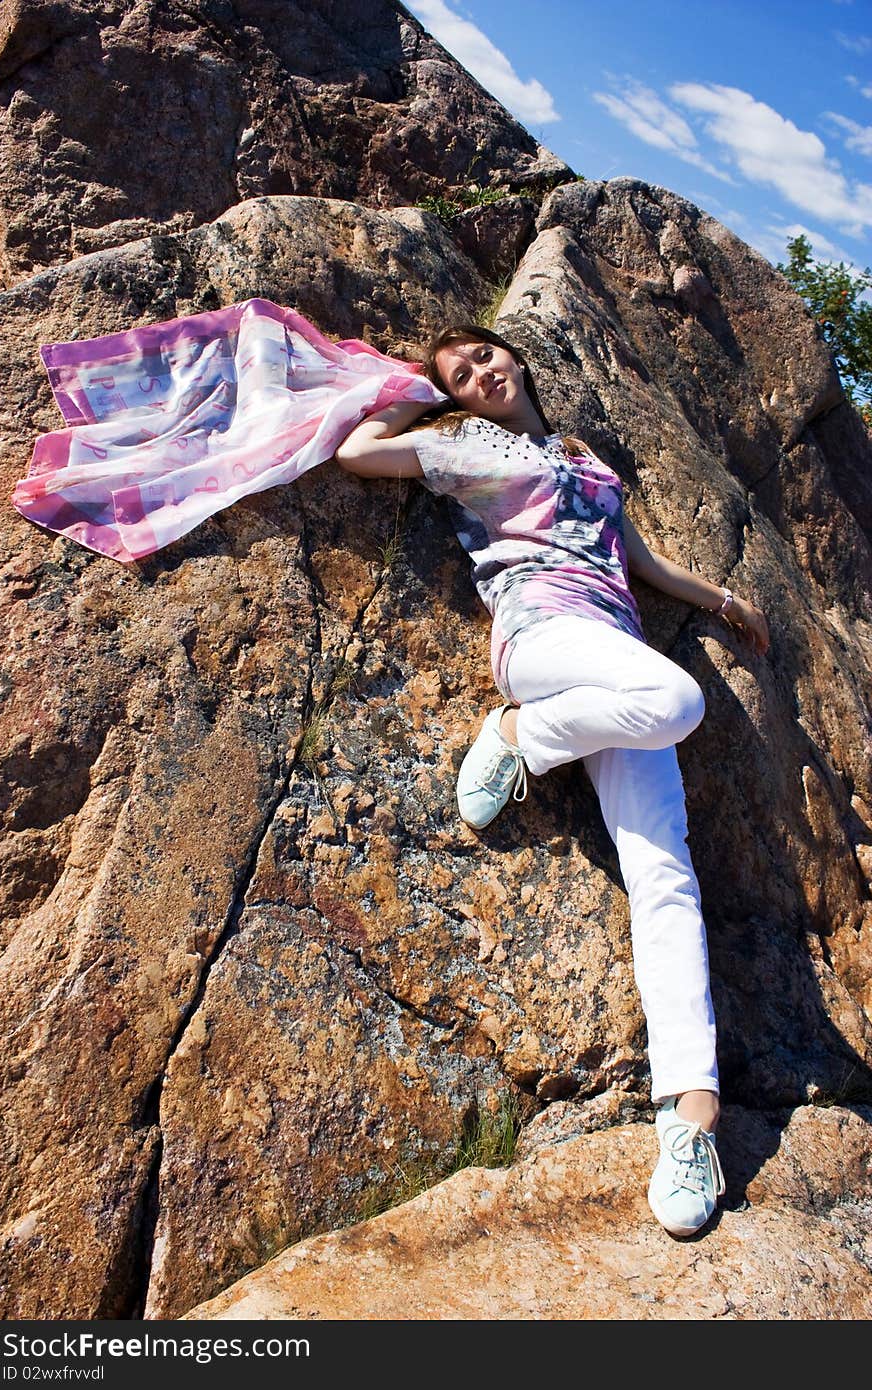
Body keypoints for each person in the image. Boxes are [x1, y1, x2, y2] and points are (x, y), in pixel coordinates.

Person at [334, 322, 769, 1238]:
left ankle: (689, 1119)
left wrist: (719, 599)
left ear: (518, 358)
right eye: (462, 376)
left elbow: (637, 564)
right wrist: (415, 390)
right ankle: (521, 733)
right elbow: (357, 455)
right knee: (680, 701)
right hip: (537, 634)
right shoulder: (458, 444)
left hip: (615, 645)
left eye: (486, 359)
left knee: (665, 871)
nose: (483, 377)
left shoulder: (577, 453)